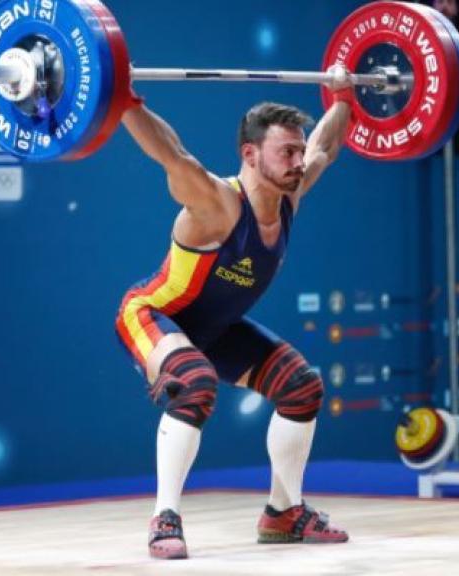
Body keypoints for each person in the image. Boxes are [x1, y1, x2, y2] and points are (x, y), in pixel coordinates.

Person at [114, 64, 354, 560]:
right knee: (194, 382)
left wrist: (343, 97)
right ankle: (165, 517)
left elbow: (328, 145)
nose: (297, 160)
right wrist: (121, 99)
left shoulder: (291, 193)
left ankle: (283, 512)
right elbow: (171, 154)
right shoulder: (217, 203)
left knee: (301, 385)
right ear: (250, 153)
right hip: (153, 314)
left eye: (297, 149)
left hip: (213, 329)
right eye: (286, 151)